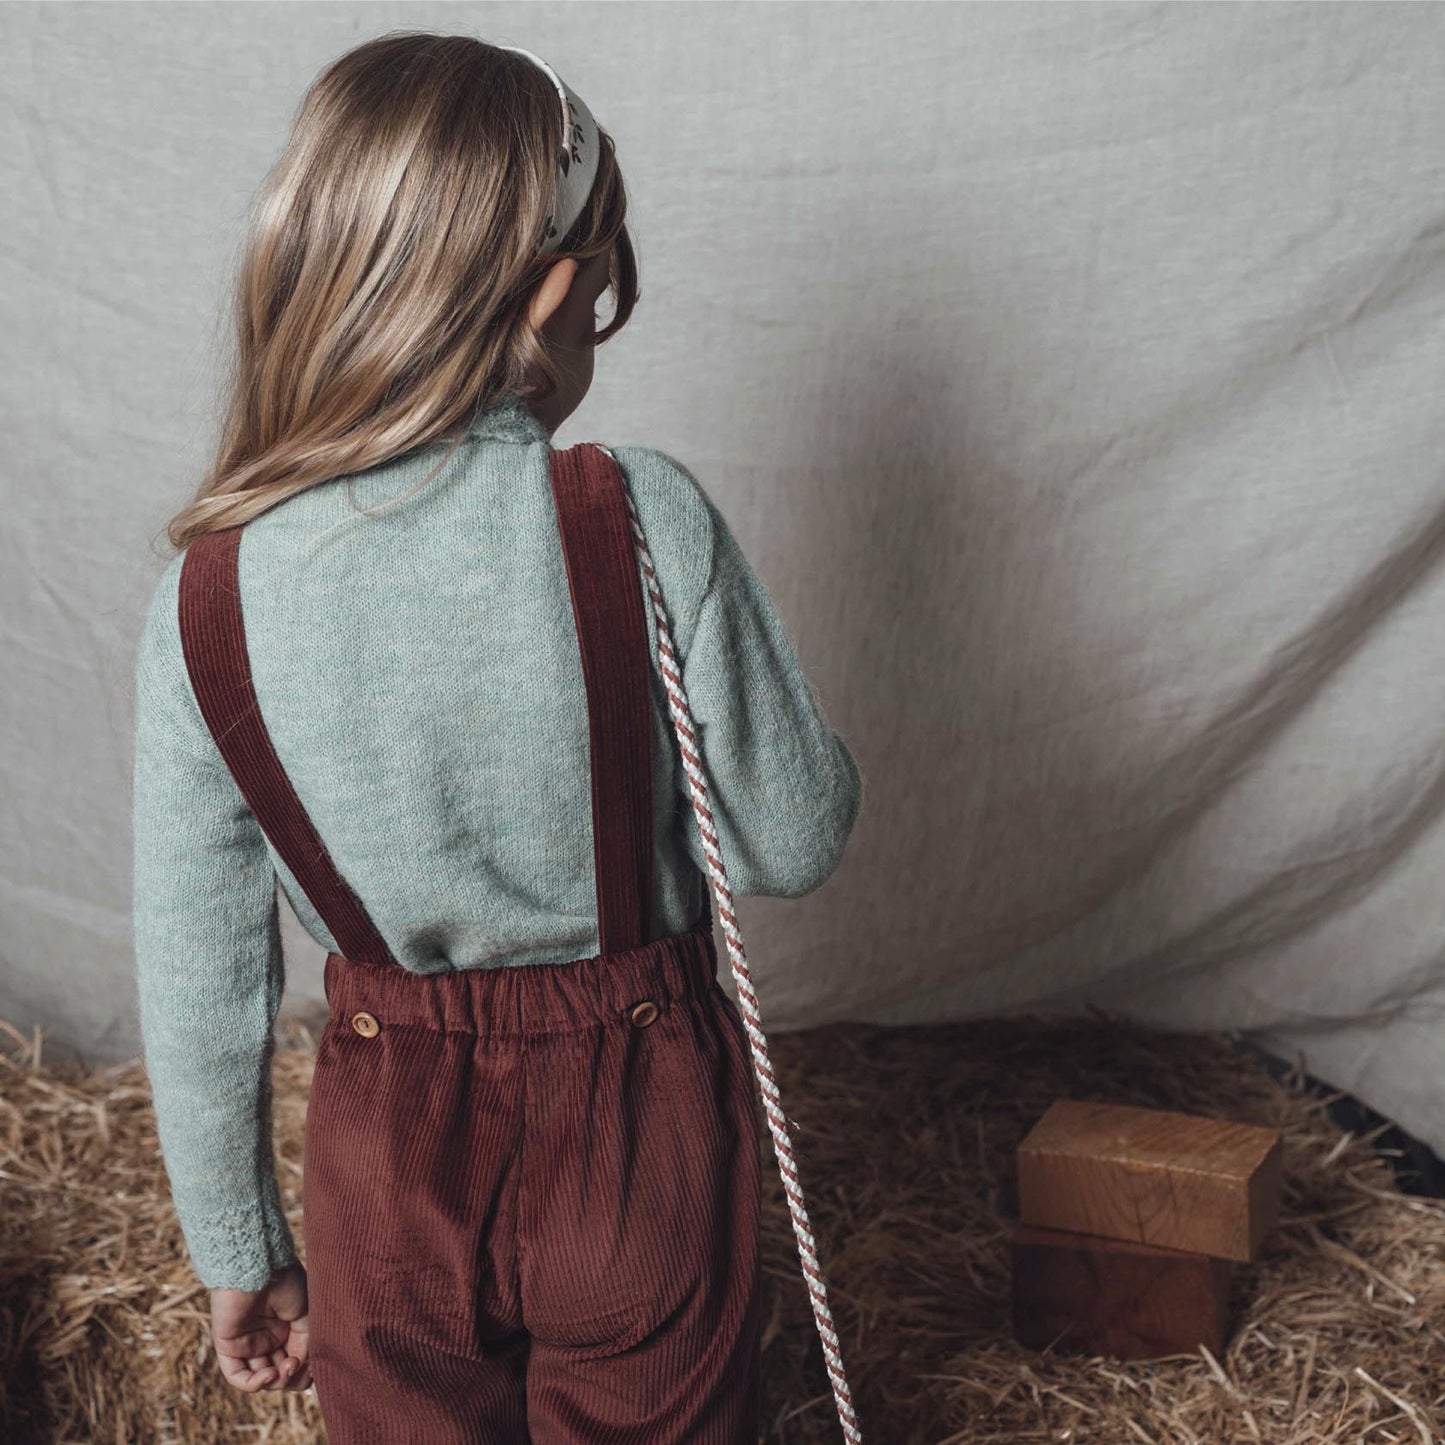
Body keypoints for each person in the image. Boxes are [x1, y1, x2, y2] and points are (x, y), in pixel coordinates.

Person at [131, 31, 863, 1443]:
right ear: (548, 294)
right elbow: (796, 833)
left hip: (381, 1163)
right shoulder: (638, 515)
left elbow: (197, 970)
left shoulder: (205, 595)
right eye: (603, 292)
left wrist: (238, 1246)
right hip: (636, 1131)